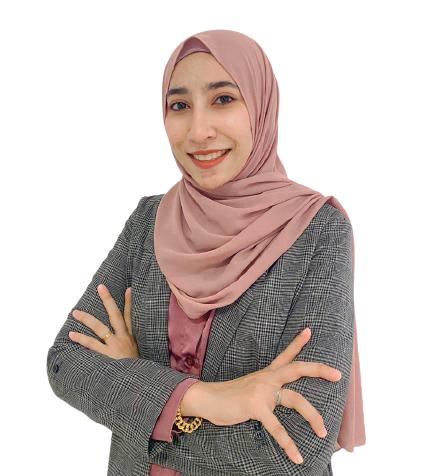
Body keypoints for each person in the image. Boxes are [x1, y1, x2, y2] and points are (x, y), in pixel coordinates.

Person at [46, 29, 366, 476]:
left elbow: (296, 444)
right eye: (179, 106)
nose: (199, 131)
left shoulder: (317, 231)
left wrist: (140, 394)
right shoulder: (149, 221)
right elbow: (66, 363)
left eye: (223, 99)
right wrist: (206, 399)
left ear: (261, 106)